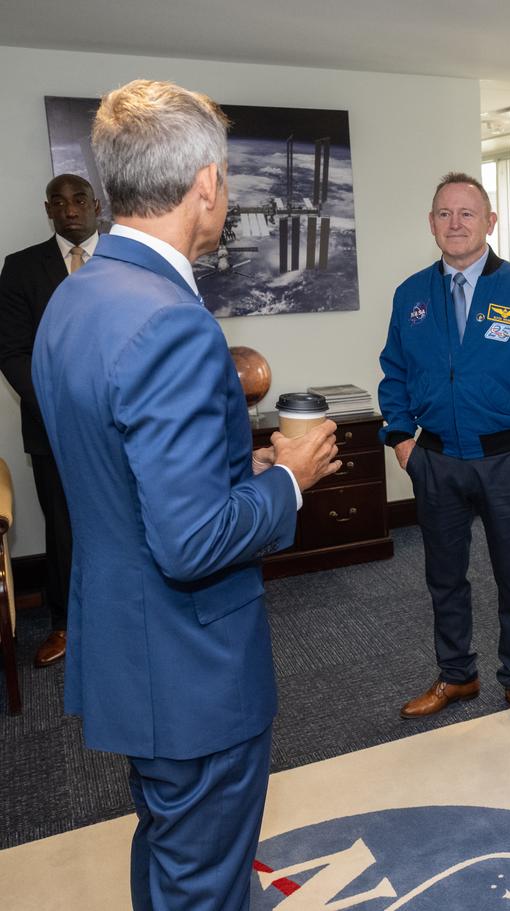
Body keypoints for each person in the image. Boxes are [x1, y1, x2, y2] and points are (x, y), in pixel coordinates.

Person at [31, 79, 340, 910]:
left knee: (170, 854)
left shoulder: (72, 299)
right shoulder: (171, 321)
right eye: (228, 179)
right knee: (204, 880)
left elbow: (128, 482)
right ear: (206, 184)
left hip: (130, 650)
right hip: (191, 670)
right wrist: (289, 478)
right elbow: (193, 539)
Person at [379, 172, 510, 732]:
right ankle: (456, 672)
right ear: (431, 223)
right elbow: (393, 372)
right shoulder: (411, 295)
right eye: (444, 213)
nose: (455, 223)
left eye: (467, 213)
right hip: (436, 462)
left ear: (490, 222)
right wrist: (402, 440)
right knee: (444, 576)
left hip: (509, 462)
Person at [0, 174, 102, 667]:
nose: (70, 211)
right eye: (58, 203)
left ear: (96, 204)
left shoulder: (128, 258)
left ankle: (130, 617)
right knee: (63, 529)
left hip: (126, 424)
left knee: (131, 520)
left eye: (79, 199)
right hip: (54, 428)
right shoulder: (21, 269)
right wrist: (63, 407)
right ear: (48, 210)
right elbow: (12, 352)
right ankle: (64, 623)